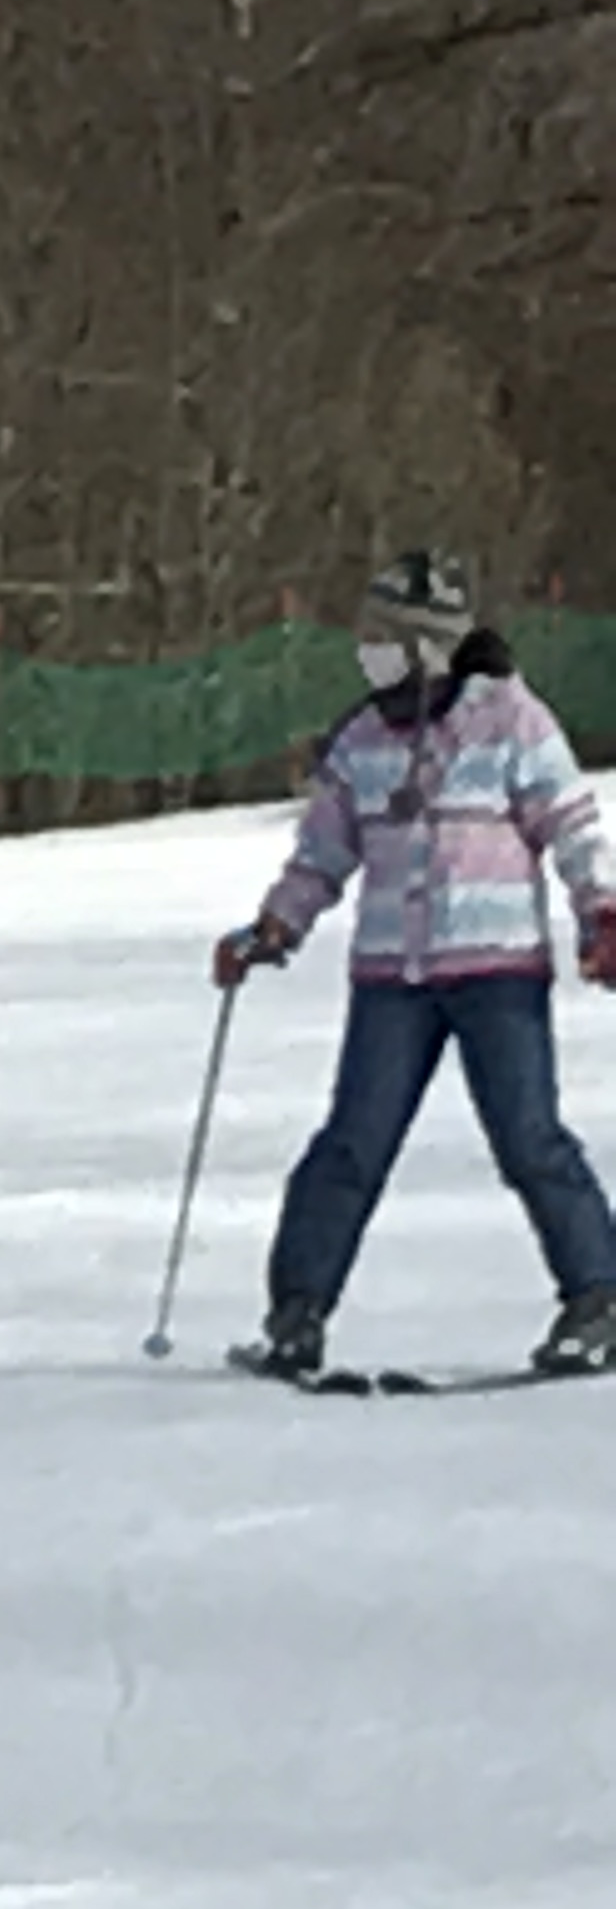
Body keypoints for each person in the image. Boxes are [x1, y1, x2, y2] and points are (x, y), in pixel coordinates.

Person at [211, 548, 616, 1381]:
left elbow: (573, 828)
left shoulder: (512, 721)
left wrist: (600, 910)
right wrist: (273, 928)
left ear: (429, 647)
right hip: (393, 978)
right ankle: (298, 1312)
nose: (370, 650)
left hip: (497, 970)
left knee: (527, 1137)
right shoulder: (362, 737)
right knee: (352, 1143)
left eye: (387, 637)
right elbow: (322, 854)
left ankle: (597, 1299)